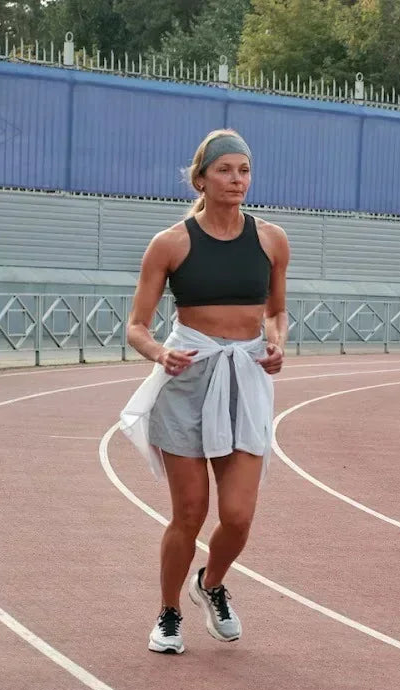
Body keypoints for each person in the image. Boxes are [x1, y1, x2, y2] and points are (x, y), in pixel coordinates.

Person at [119, 129, 288, 655]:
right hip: (188, 377)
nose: (237, 180)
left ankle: (210, 584)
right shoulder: (171, 243)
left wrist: (278, 340)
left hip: (247, 379)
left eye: (244, 170)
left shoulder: (271, 239)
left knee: (237, 516)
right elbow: (136, 325)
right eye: (225, 170)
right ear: (201, 178)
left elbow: (276, 310)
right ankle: (169, 612)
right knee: (189, 513)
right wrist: (158, 354)